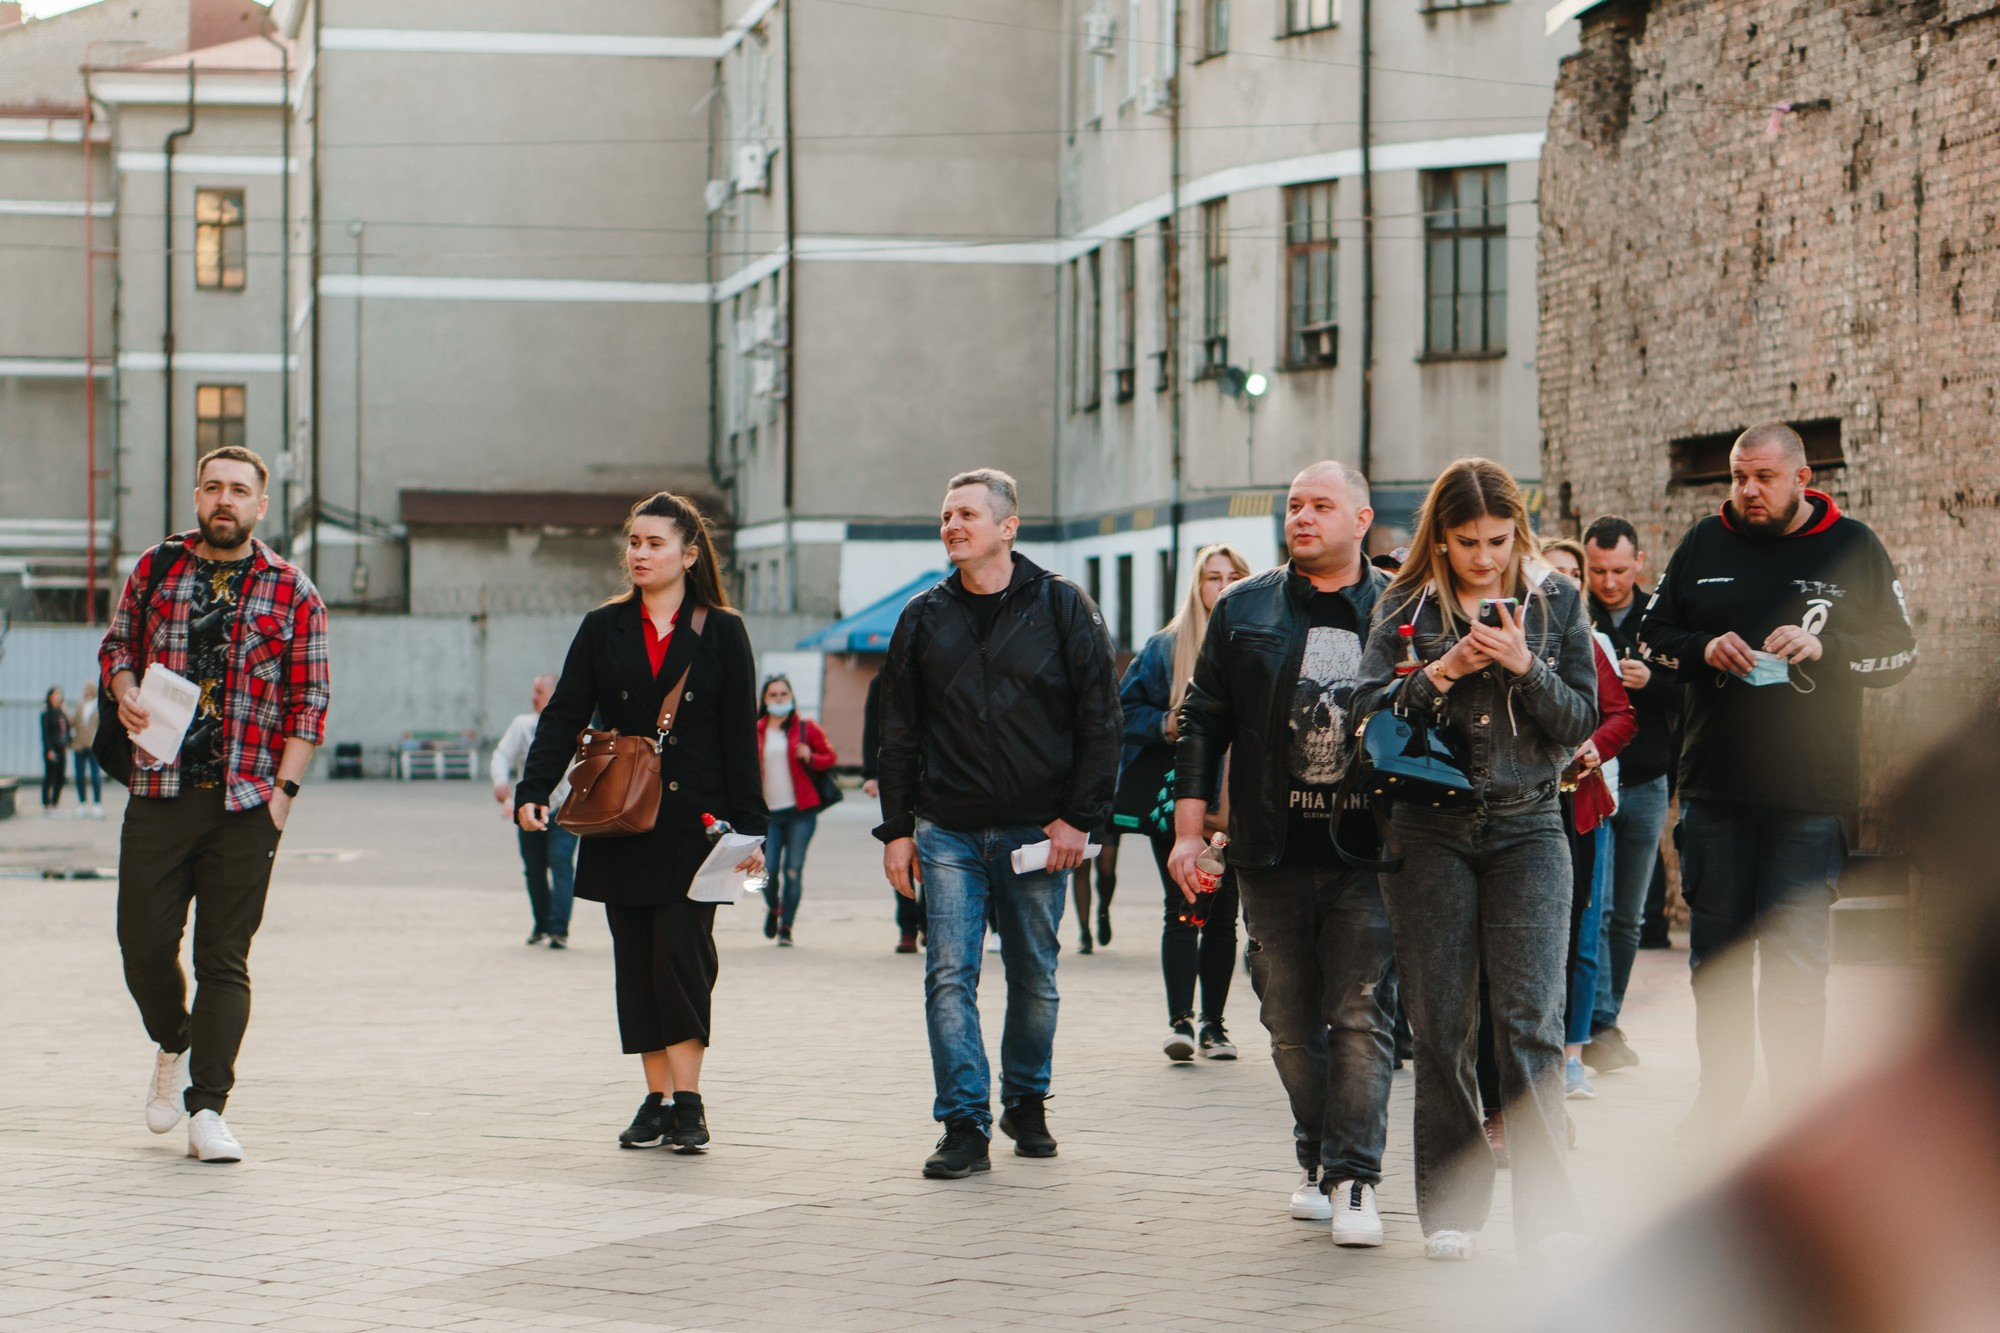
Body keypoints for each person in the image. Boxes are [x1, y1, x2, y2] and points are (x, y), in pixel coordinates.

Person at [1639, 423, 1915, 1141]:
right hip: (1716, 790)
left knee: (1796, 967)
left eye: (1763, 476)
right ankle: (1719, 1102)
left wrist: (1827, 646)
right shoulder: (1703, 543)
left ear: (1803, 479)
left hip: (1809, 795)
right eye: (1738, 476)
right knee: (1717, 966)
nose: (1748, 490)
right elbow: (1650, 636)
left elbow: (1899, 653)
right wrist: (1703, 647)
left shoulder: (1853, 546)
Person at [1352, 457, 1598, 1260]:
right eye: (1467, 542)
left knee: (1531, 1025)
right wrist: (1445, 669)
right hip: (1428, 830)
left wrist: (1525, 664)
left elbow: (1580, 720)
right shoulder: (1403, 605)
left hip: (1531, 825)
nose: (1484, 558)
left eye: (1498, 540)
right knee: (1443, 1023)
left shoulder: (1557, 600)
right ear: (1440, 537)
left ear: (1518, 531)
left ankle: (1550, 1220)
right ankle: (1453, 1209)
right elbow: (1368, 718)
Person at [1171, 463, 1401, 1249]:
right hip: (1269, 849)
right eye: (1294, 504)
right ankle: (1318, 1155)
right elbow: (1203, 718)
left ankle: (1355, 1176)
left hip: (1370, 851)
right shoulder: (1244, 606)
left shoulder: (1400, 605)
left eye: (1321, 505)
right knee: (1288, 1022)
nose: (1301, 516)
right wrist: (1188, 832)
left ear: (1361, 518)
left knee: (1361, 1011)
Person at [875, 467, 1120, 1180]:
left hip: (1038, 832)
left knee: (1034, 974)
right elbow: (898, 730)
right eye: (946, 515)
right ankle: (963, 1123)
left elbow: (1100, 718)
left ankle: (1027, 1101)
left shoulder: (1061, 605)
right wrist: (897, 829)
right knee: (949, 974)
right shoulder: (923, 614)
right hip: (946, 829)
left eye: (967, 515)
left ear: (1008, 527)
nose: (952, 526)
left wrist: (1078, 819)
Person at [515, 492, 767, 1155]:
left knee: (682, 958)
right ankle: (657, 1099)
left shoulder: (722, 630)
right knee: (636, 965)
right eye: (634, 541)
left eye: (655, 543)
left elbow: (740, 735)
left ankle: (690, 1101)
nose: (640, 553)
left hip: (696, 827)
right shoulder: (605, 626)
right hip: (621, 821)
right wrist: (534, 787)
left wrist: (752, 828)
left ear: (690, 554)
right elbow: (565, 712)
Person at [100, 445, 330, 1165]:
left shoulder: (293, 590)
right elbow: (117, 646)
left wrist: (282, 798)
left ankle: (208, 1109)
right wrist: (125, 690)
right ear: (197, 497)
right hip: (159, 793)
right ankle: (174, 1038)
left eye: (237, 490)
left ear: (261, 505)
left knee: (223, 958)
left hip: (247, 801)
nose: (223, 499)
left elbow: (310, 702)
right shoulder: (157, 569)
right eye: (212, 487)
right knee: (142, 945)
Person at [1125, 542, 1250, 1059]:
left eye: (1233, 576)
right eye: (1213, 577)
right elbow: (1122, 711)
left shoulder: (1260, 641)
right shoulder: (1166, 646)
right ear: (1197, 586)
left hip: (1237, 800)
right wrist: (1165, 722)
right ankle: (1181, 1022)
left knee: (1222, 914)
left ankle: (1214, 1026)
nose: (1222, 586)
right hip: (1180, 797)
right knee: (1181, 906)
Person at [1581, 516, 1683, 1070]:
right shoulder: (1576, 617)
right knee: (1600, 910)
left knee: (1630, 918)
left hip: (1646, 782)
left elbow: (1694, 693)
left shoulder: (1659, 618)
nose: (1608, 581)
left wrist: (1653, 684)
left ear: (1638, 562)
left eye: (1619, 570)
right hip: (1596, 781)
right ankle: (1596, 1025)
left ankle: (1609, 1020)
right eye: (1598, 570)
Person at [1539, 538, 1635, 1104]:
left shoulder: (1590, 642)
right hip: (1514, 804)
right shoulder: (1503, 632)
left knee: (1581, 934)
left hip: (1577, 804)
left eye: (1570, 576)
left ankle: (1573, 1055)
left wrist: (1594, 748)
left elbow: (1621, 716)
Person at [491, 674, 576, 948]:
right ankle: (542, 923)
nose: (533, 696)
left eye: (539, 691)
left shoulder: (574, 723)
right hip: (530, 808)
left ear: (554, 694)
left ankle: (558, 929)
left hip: (564, 809)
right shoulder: (523, 726)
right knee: (534, 868)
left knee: (560, 862)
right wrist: (500, 781)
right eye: (533, 691)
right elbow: (502, 754)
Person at [755, 674, 837, 947]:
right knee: (768, 869)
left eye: (784, 694)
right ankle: (774, 908)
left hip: (801, 811)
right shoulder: (755, 730)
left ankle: (787, 926)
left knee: (793, 869)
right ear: (764, 700)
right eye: (773, 695)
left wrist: (810, 756)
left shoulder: (806, 728)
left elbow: (829, 757)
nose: (779, 699)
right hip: (769, 814)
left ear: (791, 697)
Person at [864, 670, 926, 954]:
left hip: (936, 777)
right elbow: (873, 728)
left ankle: (929, 922)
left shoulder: (938, 669)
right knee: (900, 848)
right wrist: (870, 773)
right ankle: (907, 927)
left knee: (937, 852)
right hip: (898, 776)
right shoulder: (883, 680)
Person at [70, 685, 104, 818]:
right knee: (79, 776)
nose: (85, 692)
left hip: (92, 745)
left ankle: (97, 804)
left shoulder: (98, 706)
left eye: (87, 689)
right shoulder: (80, 705)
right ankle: (82, 803)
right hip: (79, 744)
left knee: (95, 775)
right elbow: (73, 722)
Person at [40, 687, 71, 815]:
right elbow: (45, 733)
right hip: (51, 749)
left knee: (61, 777)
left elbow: (67, 728)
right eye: (55, 694)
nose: (58, 696)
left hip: (61, 748)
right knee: (50, 776)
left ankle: (55, 803)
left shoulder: (61, 712)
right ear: (50, 696)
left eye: (59, 694)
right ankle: (47, 804)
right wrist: (49, 749)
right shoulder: (46, 712)